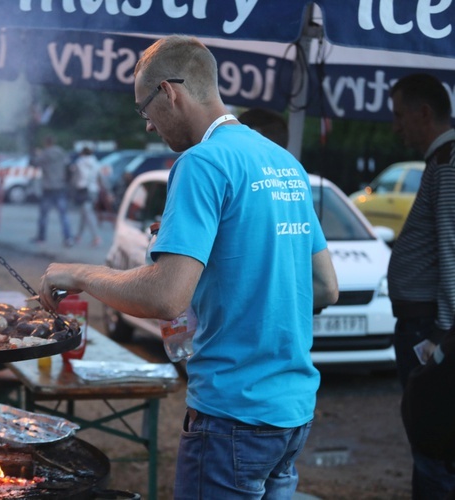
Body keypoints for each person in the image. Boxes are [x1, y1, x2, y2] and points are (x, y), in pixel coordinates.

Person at [38, 35, 338, 498]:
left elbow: (165, 297)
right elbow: (324, 287)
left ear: (169, 92)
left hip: (232, 415)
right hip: (292, 412)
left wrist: (80, 274)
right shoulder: (284, 163)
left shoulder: (201, 162)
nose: (149, 127)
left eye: (145, 110)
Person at [386, 72, 455, 499]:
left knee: (432, 447)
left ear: (423, 113)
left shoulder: (448, 163)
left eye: (399, 116)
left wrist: (444, 339)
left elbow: (452, 249)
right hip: (424, 325)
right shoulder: (440, 161)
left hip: (430, 328)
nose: (396, 127)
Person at [31, 135, 73, 247]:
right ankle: (68, 238)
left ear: (45, 142)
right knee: (63, 215)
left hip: (48, 187)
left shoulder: (44, 154)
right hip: (60, 186)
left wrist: (36, 153)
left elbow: (34, 163)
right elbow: (68, 164)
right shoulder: (61, 152)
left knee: (43, 215)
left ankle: (41, 237)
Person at [70, 146, 102, 247]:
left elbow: (76, 178)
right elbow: (100, 177)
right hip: (94, 190)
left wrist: (72, 188)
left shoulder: (80, 162)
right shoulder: (96, 162)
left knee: (87, 213)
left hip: (83, 190)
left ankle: (96, 237)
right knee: (84, 213)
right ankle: (78, 236)